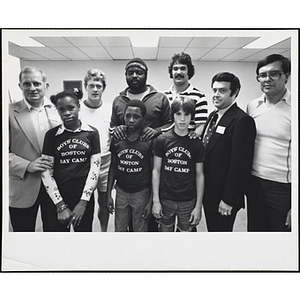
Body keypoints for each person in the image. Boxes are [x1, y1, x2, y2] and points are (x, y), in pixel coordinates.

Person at [110, 57, 172, 232]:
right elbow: (112, 126)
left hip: (152, 164)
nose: (135, 75)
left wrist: (157, 131)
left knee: (148, 222)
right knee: (124, 224)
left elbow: (170, 124)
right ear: (126, 75)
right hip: (126, 166)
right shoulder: (118, 100)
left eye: (139, 72)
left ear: (146, 75)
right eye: (131, 73)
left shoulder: (160, 98)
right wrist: (119, 128)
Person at [202, 72, 256, 232]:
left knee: (221, 236)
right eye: (214, 90)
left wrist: (228, 199)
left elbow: (240, 165)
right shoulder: (213, 115)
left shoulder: (242, 120)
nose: (216, 95)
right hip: (209, 192)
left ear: (235, 92)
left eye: (222, 91)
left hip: (223, 196)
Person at [40, 89, 101, 232]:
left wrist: (83, 202)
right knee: (58, 243)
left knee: (84, 240)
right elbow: (46, 172)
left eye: (71, 108)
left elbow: (95, 169)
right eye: (61, 109)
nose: (66, 113)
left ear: (78, 107)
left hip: (83, 197)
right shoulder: (51, 135)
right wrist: (60, 205)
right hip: (58, 198)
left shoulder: (92, 133)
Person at [9, 66, 61, 232]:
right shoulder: (8, 112)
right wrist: (27, 165)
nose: (32, 88)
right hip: (23, 185)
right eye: (27, 84)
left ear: (46, 85)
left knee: (54, 233)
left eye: (37, 83)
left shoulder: (59, 110)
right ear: (20, 86)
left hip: (54, 186)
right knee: (23, 235)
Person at [246, 54, 291, 231]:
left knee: (280, 236)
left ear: (286, 76)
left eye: (274, 74)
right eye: (262, 75)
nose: (267, 79)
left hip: (283, 187)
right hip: (254, 182)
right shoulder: (252, 106)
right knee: (256, 233)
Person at [152, 96, 205, 232]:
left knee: (185, 238)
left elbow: (199, 175)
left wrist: (198, 206)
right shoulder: (162, 140)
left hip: (188, 200)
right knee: (165, 235)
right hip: (166, 199)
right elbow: (156, 171)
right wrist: (156, 201)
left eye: (186, 114)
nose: (182, 119)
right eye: (178, 114)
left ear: (192, 116)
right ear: (172, 115)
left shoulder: (196, 143)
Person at [107, 100, 153, 232]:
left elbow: (153, 172)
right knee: (120, 230)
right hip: (121, 192)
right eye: (128, 116)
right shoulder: (117, 138)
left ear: (144, 119)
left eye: (136, 117)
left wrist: (150, 201)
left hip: (141, 193)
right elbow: (113, 167)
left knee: (140, 231)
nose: (131, 120)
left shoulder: (149, 140)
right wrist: (109, 193)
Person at [80, 69, 111, 232]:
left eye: (98, 86)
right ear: (86, 87)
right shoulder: (78, 110)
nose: (95, 89)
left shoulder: (110, 109)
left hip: (106, 164)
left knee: (104, 203)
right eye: (91, 85)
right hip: (84, 165)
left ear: (103, 88)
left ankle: (104, 232)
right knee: (85, 202)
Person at [164, 52, 208, 138]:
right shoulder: (163, 96)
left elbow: (201, 126)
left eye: (183, 68)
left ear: (189, 71)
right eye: (175, 69)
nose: (179, 72)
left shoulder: (199, 96)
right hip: (166, 143)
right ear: (171, 72)